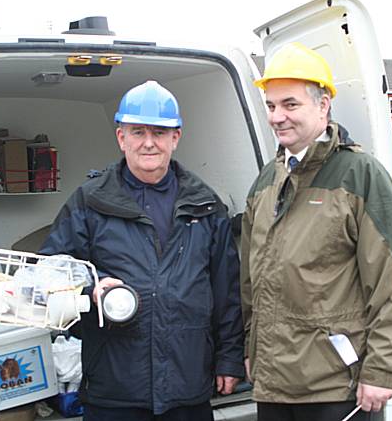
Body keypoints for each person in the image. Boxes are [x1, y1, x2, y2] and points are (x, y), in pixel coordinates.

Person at [40, 80, 244, 421]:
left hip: (187, 384)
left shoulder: (206, 205)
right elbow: (50, 270)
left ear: (175, 138)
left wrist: (229, 359)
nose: (149, 143)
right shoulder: (90, 201)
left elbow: (227, 290)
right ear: (121, 138)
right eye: (138, 132)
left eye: (160, 133)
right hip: (115, 386)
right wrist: (92, 289)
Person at [240, 43, 392, 421]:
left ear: (323, 106)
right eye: (271, 106)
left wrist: (382, 369)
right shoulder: (266, 180)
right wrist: (250, 347)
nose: (277, 117)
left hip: (336, 384)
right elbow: (250, 281)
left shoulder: (359, 175)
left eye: (290, 104)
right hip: (273, 381)